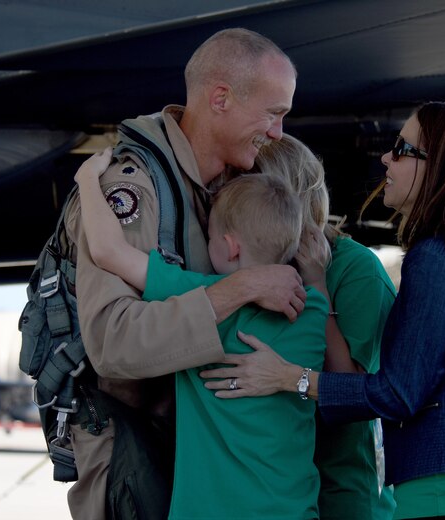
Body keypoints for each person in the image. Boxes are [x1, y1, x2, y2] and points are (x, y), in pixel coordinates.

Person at [200, 101, 445, 519]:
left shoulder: (435, 259)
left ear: (441, 167)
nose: (385, 157)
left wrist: (287, 377)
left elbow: (397, 394)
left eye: (402, 149)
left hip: (443, 495)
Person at [62, 28, 302, 520]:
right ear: (220, 98)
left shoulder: (231, 189)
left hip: (210, 468)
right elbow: (113, 343)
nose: (277, 132)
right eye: (272, 113)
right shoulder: (132, 190)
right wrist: (237, 289)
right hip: (138, 466)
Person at [76, 151, 328, 517]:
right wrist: (316, 276)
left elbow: (106, 250)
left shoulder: (204, 297)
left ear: (229, 247)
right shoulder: (314, 311)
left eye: (207, 237)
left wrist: (87, 178)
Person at [252, 135, 398, 519]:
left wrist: (318, 289)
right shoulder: (246, 265)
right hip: (271, 491)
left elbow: (351, 393)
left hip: (341, 495)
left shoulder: (355, 269)